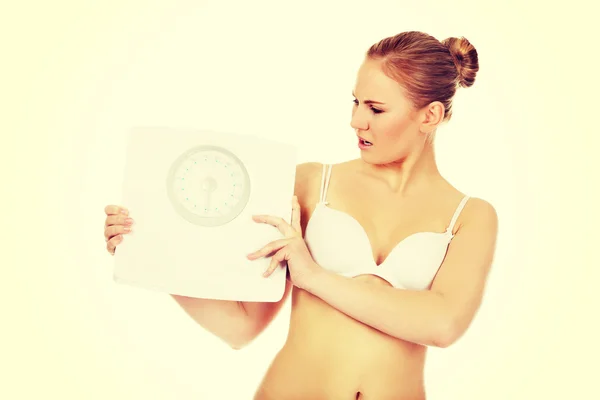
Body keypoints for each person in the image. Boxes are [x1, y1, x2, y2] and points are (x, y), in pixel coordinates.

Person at [103, 31, 498, 400]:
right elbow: (242, 326)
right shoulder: (312, 183)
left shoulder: (470, 216)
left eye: (376, 109)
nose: (356, 120)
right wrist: (147, 254)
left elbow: (443, 324)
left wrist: (313, 277)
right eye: (356, 102)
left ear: (428, 116)